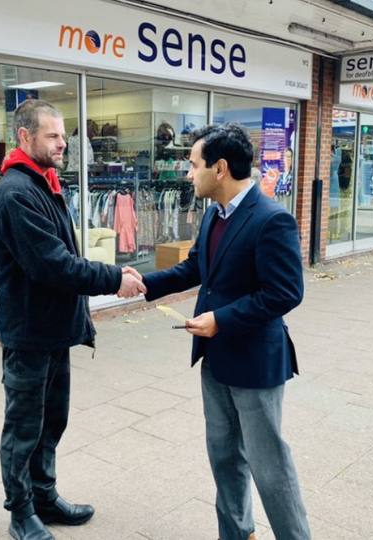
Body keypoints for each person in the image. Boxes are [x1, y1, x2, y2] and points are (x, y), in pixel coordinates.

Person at [128, 123, 311, 540]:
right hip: (215, 359)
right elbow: (196, 269)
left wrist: (222, 319)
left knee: (270, 467)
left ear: (221, 168)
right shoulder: (214, 214)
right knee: (224, 457)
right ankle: (236, 533)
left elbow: (285, 293)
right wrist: (146, 283)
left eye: (193, 165)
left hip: (255, 363)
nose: (188, 174)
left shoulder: (272, 219)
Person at [0, 99, 146, 540]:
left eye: (63, 134)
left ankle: (44, 496)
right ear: (26, 137)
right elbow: (52, 265)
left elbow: (63, 258)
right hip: (30, 333)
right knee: (24, 427)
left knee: (51, 420)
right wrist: (114, 277)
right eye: (54, 136)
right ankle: (21, 512)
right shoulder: (17, 192)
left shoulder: (45, 182)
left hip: (54, 328)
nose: (64, 143)